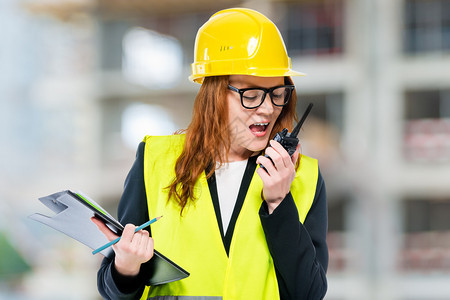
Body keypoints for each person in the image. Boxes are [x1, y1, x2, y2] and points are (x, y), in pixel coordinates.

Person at [93, 7, 328, 300]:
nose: (268, 109)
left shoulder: (304, 177)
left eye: (277, 93)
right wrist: (126, 267)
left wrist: (279, 202)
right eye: (251, 95)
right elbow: (112, 290)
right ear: (213, 93)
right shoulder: (155, 160)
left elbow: (311, 293)